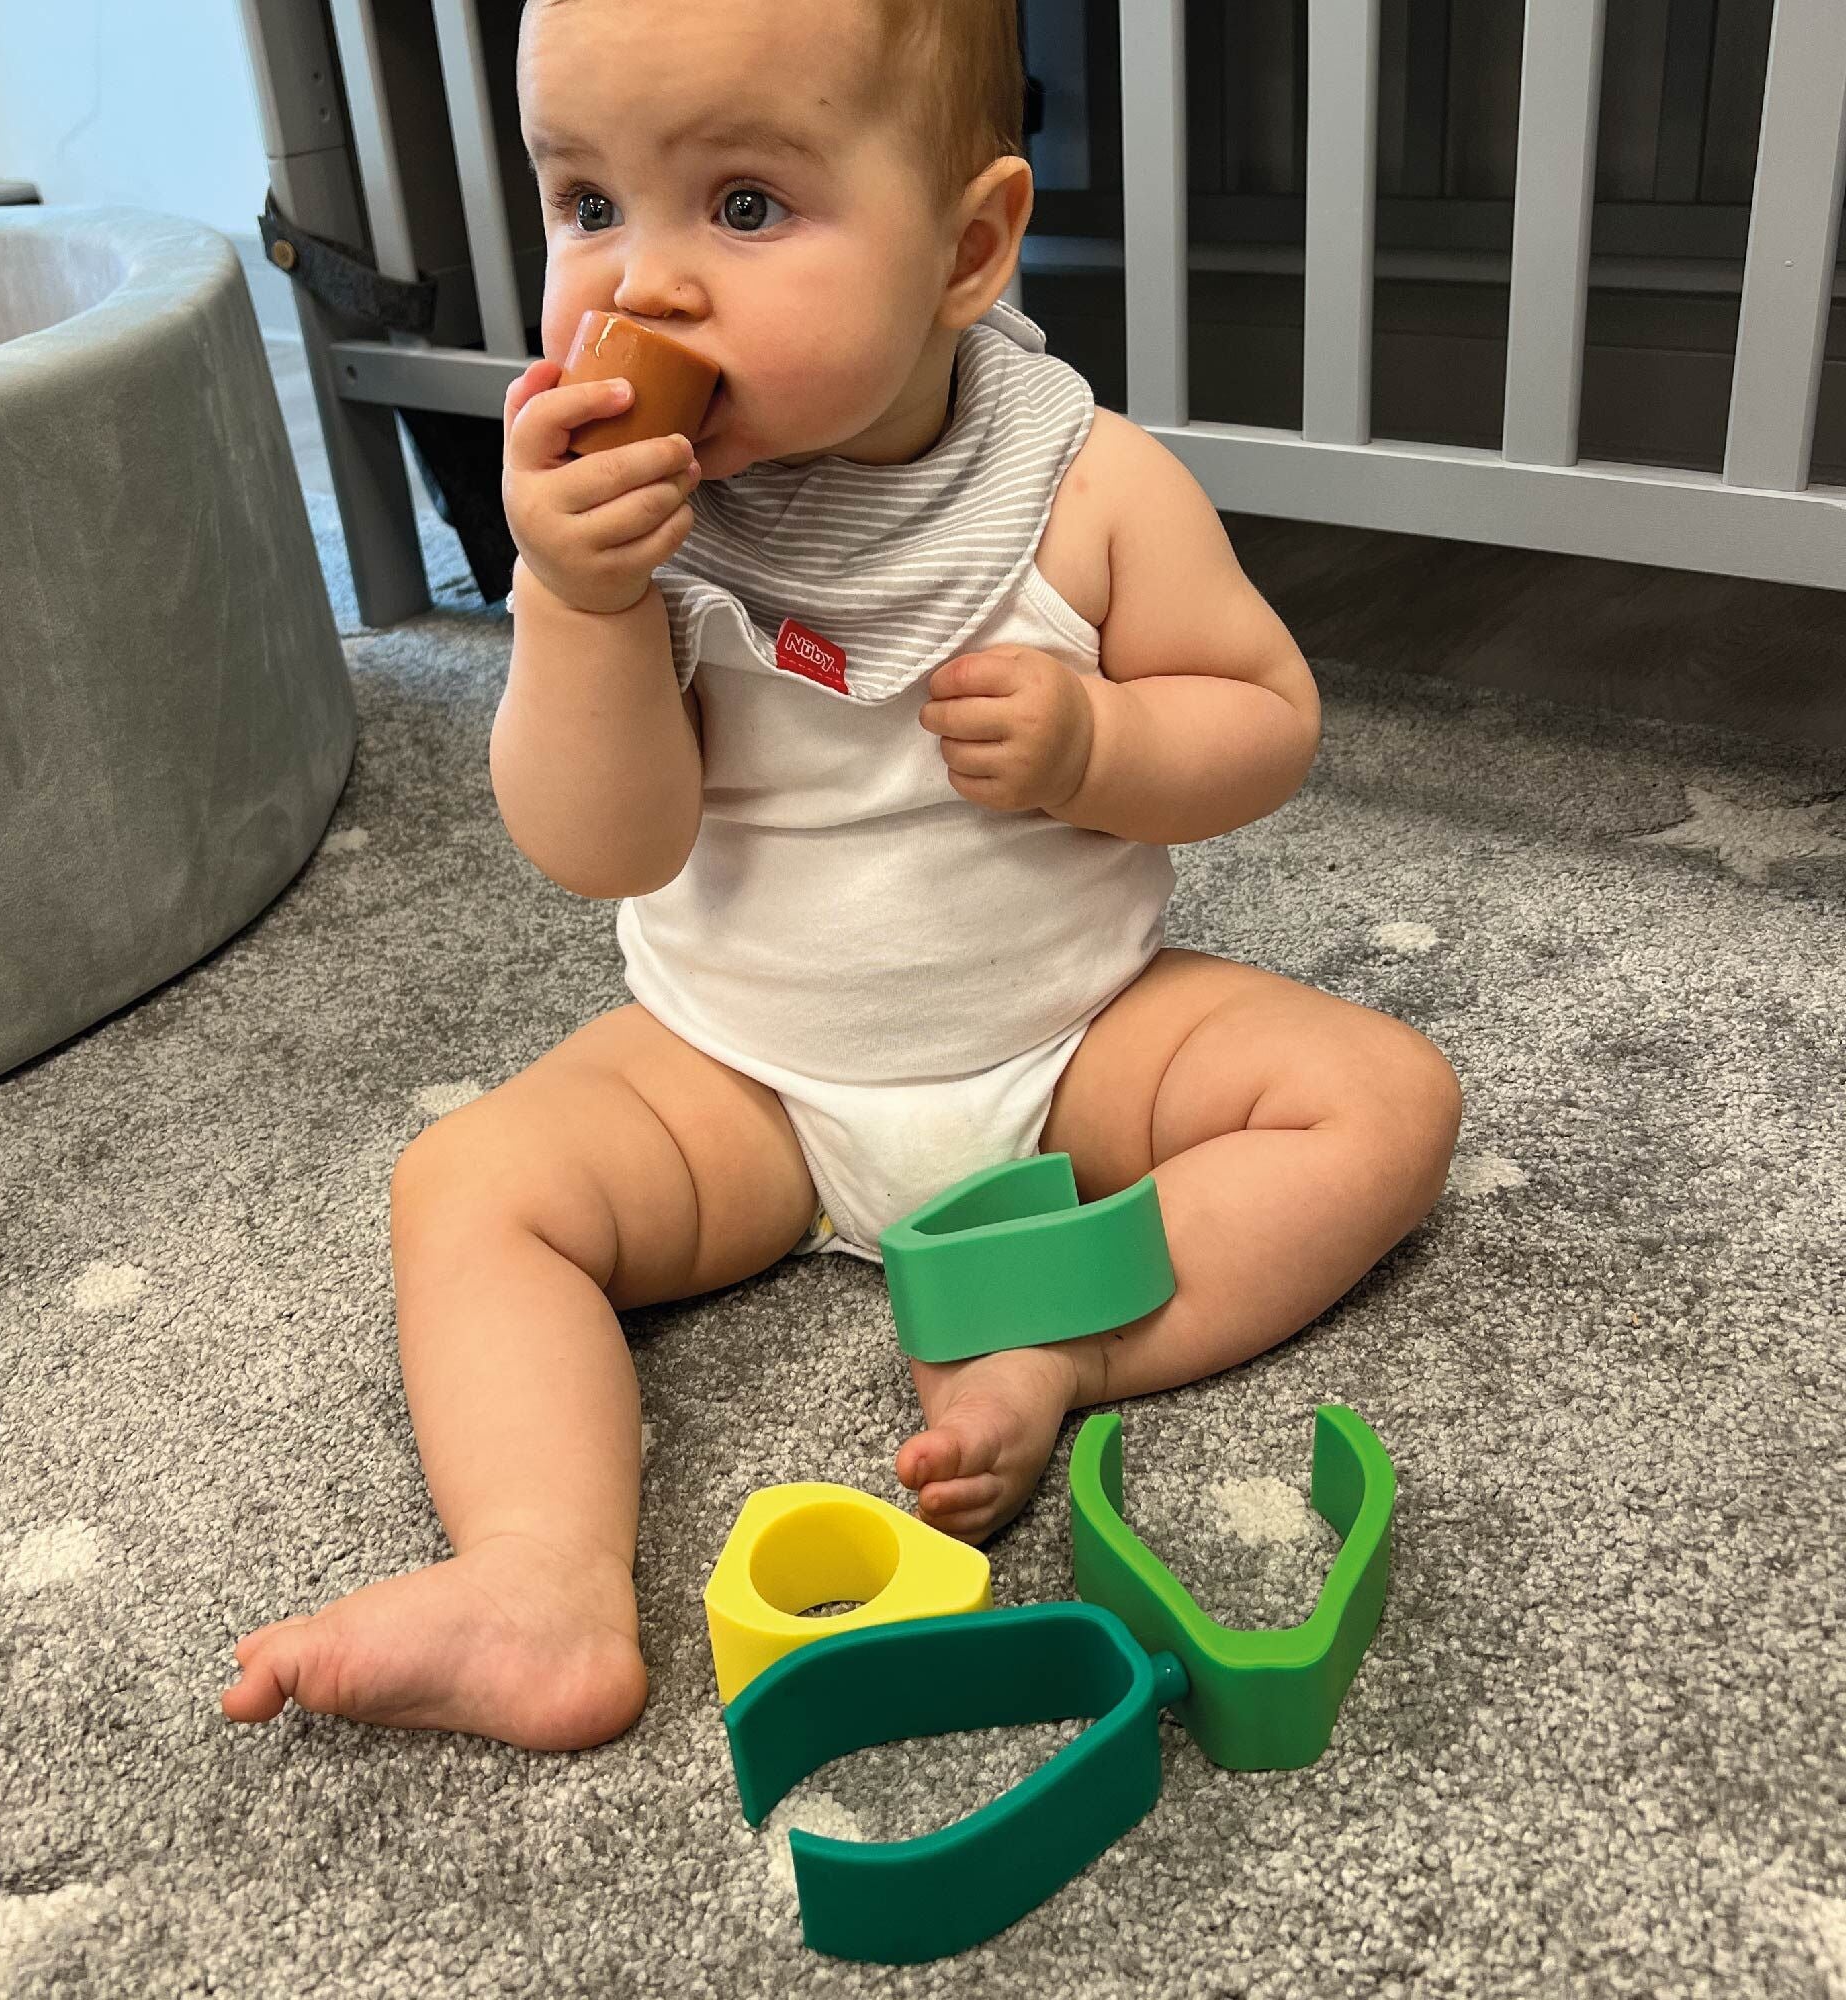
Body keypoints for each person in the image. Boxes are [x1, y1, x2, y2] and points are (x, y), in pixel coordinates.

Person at [223, 0, 1463, 1752]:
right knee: (469, 1190)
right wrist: (576, 605)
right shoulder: (630, 524)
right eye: (586, 205)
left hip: (1071, 1054)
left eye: (742, 206)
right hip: (740, 1083)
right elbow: (605, 847)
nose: (640, 287)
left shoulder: (1084, 486)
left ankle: (1059, 1345)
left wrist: (1105, 749)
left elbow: (1263, 720)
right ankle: (538, 1580)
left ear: (967, 249)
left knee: (1381, 1098)